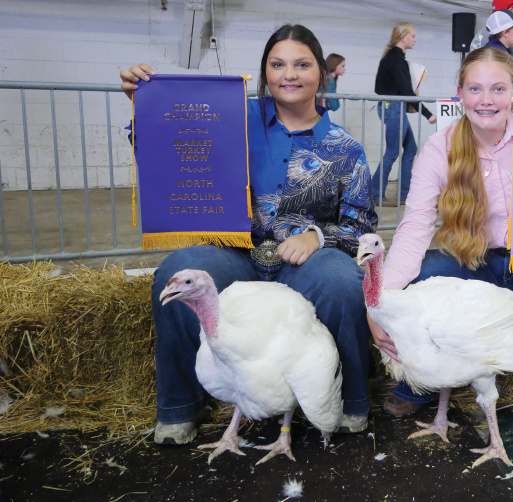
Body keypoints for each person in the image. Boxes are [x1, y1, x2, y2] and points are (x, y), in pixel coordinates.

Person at [119, 24, 378, 445]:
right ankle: (181, 405)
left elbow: (361, 226)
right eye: (277, 64)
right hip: (236, 253)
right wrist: (144, 106)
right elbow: (168, 146)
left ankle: (350, 401)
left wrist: (318, 237)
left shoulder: (344, 147)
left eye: (302, 64)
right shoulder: (231, 119)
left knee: (342, 280)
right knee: (180, 269)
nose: (288, 74)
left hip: (303, 262)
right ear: (264, 71)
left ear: (322, 75)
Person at [371, 47, 513, 444]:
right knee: (421, 278)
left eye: (498, 88)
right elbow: (415, 226)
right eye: (475, 88)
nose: (486, 99)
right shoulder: (441, 146)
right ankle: (419, 383)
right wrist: (380, 301)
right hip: (477, 258)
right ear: (460, 94)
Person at [370, 22, 437, 208]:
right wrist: (427, 113)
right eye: (413, 36)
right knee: (392, 152)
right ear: (403, 37)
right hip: (394, 108)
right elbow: (407, 91)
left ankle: (405, 195)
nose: (415, 39)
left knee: (410, 149)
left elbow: (379, 88)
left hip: (394, 107)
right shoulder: (396, 60)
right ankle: (375, 194)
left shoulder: (393, 58)